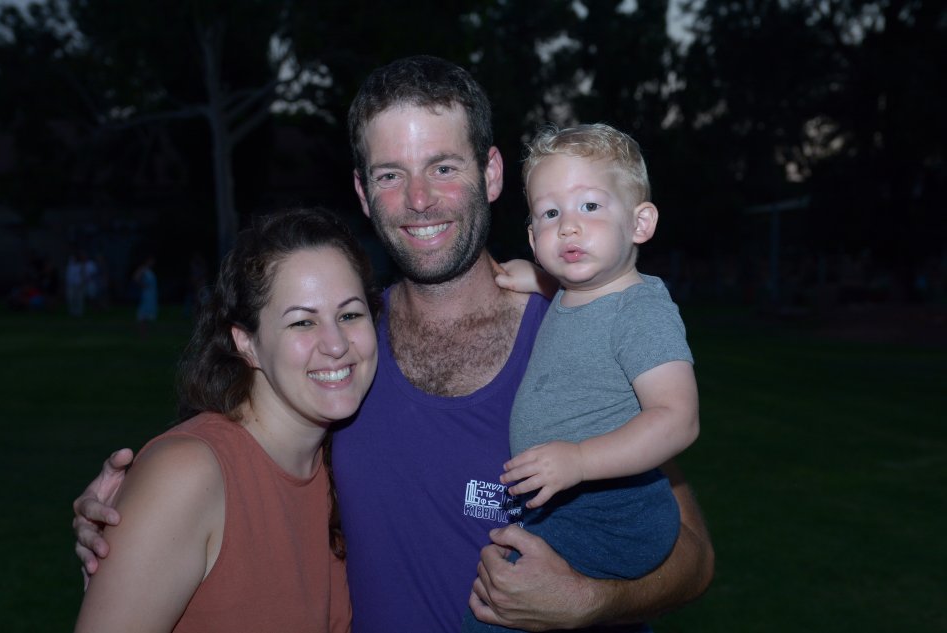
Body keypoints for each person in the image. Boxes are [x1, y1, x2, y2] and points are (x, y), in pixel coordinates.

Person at [73, 56, 714, 632]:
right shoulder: (342, 358)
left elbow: (693, 554)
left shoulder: (577, 327)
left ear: (491, 173)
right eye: (390, 175)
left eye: (443, 167)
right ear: (362, 191)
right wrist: (136, 522)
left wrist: (591, 600)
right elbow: (240, 462)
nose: (419, 200)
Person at [73, 207, 379, 632]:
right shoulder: (188, 474)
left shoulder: (349, 463)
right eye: (302, 322)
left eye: (349, 315)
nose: (336, 344)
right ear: (247, 343)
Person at [462, 123, 700, 633]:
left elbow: (677, 419)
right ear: (533, 237)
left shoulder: (641, 309)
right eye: (551, 214)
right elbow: (580, 304)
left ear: (639, 223)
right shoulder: (578, 294)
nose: (569, 227)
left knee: (497, 611)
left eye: (590, 206)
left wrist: (580, 459)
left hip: (612, 511)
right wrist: (538, 277)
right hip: (569, 508)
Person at [133, 255, 159, 335]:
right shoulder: (143, 269)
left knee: (147, 316)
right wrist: (142, 285)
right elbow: (136, 278)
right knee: (143, 315)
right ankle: (142, 333)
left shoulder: (149, 270)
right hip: (146, 295)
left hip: (151, 295)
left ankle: (146, 334)